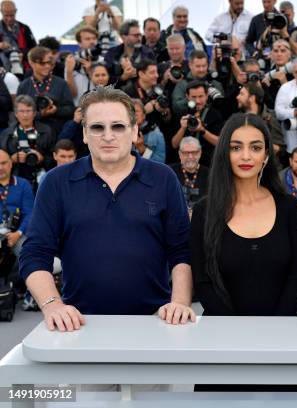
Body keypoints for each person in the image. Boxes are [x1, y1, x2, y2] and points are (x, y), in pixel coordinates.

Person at [20, 87, 194, 331]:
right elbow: (35, 252)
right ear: (84, 134)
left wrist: (179, 303)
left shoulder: (163, 178)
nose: (108, 136)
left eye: (118, 126)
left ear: (134, 131)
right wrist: (53, 306)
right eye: (97, 127)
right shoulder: (56, 182)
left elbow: (181, 250)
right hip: (78, 325)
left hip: (156, 322)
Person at [191, 112, 297, 317]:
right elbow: (202, 281)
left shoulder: (288, 207)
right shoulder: (203, 212)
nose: (246, 156)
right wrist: (235, 331)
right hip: (221, 337)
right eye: (236, 147)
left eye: (256, 147)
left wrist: (276, 326)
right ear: (225, 152)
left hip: (280, 336)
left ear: (266, 155)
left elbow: (296, 276)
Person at [17, 46, 74, 136]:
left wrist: (56, 110)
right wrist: (40, 114)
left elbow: (70, 109)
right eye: (42, 63)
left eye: (49, 63)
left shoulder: (61, 83)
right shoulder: (24, 86)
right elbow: (18, 112)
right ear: (31, 63)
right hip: (31, 133)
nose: (47, 66)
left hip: (57, 132)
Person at [0, 95, 55, 187]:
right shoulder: (6, 134)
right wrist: (11, 159)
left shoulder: (47, 131)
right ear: (16, 114)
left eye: (28, 111)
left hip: (41, 177)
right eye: (21, 111)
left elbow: (55, 157)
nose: (25, 115)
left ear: (34, 113)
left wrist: (42, 158)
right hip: (15, 178)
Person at [171, 80, 223, 167]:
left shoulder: (215, 114)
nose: (198, 101)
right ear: (187, 96)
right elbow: (174, 144)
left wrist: (202, 130)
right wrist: (183, 128)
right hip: (184, 164)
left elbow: (219, 142)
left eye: (201, 96)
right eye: (193, 97)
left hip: (207, 164)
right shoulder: (182, 114)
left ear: (207, 96)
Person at [236, 81, 285, 156]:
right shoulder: (237, 119)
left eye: (242, 94)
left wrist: (260, 143)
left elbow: (281, 150)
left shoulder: (269, 119)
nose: (237, 97)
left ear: (252, 98)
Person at [104, 20, 156, 87]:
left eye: (140, 35)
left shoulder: (148, 53)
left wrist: (134, 69)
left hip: (140, 93)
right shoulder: (112, 53)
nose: (139, 38)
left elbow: (152, 75)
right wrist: (123, 77)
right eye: (136, 35)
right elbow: (106, 78)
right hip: (116, 94)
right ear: (123, 37)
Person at [64, 26, 104, 105]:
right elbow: (72, 94)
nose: (92, 41)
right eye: (87, 39)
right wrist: (69, 72)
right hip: (79, 108)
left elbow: (105, 89)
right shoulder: (71, 61)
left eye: (94, 38)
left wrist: (90, 71)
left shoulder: (102, 61)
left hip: (99, 106)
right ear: (79, 43)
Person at [170, 136, 208, 215]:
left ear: (200, 153)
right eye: (186, 153)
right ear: (180, 154)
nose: (190, 157)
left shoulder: (210, 174)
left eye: (194, 152)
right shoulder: (170, 172)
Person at [0, 0, 36, 76]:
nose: (9, 19)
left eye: (12, 15)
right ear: (1, 12)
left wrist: (23, 54)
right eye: (6, 15)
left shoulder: (24, 28)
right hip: (2, 72)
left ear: (16, 11)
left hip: (24, 71)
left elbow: (35, 49)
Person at [132, 98, 166, 163]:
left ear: (144, 115)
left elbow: (160, 163)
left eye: (136, 111)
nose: (134, 114)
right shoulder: (121, 134)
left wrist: (143, 150)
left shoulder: (156, 134)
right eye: (130, 111)